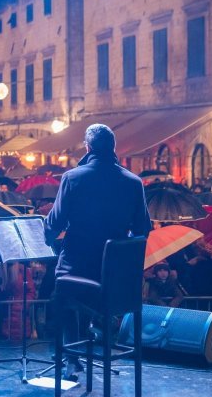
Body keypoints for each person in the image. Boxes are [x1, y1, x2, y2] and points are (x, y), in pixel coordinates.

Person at [44, 124, 151, 376]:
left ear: (88, 147)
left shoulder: (73, 177)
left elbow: (54, 224)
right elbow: (142, 230)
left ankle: (71, 354)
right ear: (113, 148)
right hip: (117, 280)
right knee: (85, 297)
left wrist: (51, 239)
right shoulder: (134, 183)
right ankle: (97, 326)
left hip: (78, 272)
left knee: (60, 294)